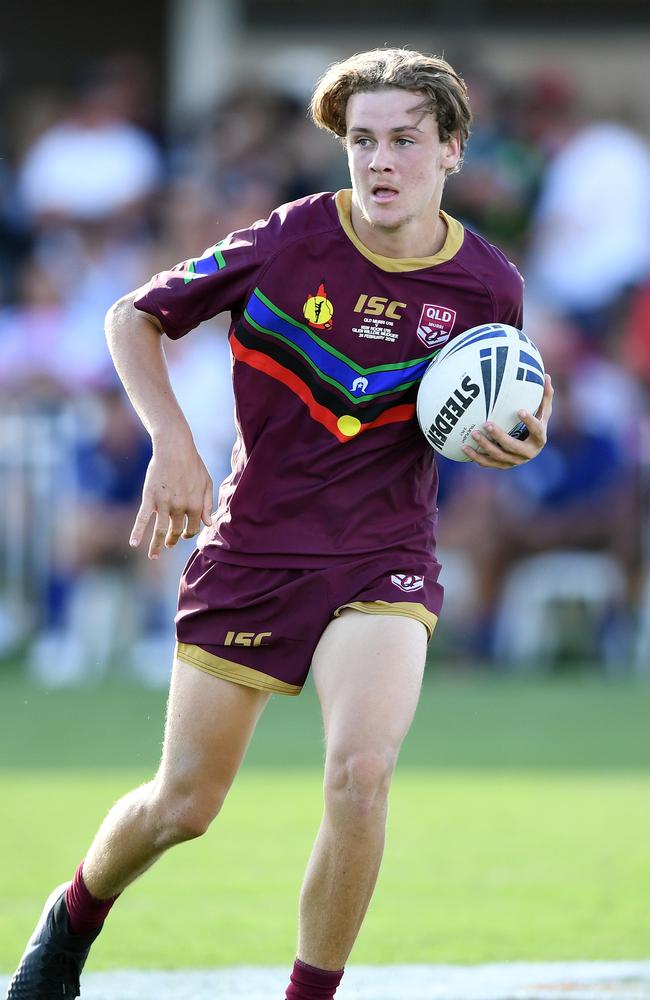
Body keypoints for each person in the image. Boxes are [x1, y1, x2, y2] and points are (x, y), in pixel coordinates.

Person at [7, 47, 553, 1000]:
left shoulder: (489, 285)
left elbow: (507, 399)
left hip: (385, 554)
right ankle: (72, 919)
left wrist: (521, 433)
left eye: (406, 141)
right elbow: (132, 319)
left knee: (361, 775)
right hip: (254, 551)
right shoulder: (293, 238)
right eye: (362, 141)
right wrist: (171, 446)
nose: (380, 162)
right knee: (184, 806)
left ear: (454, 150)